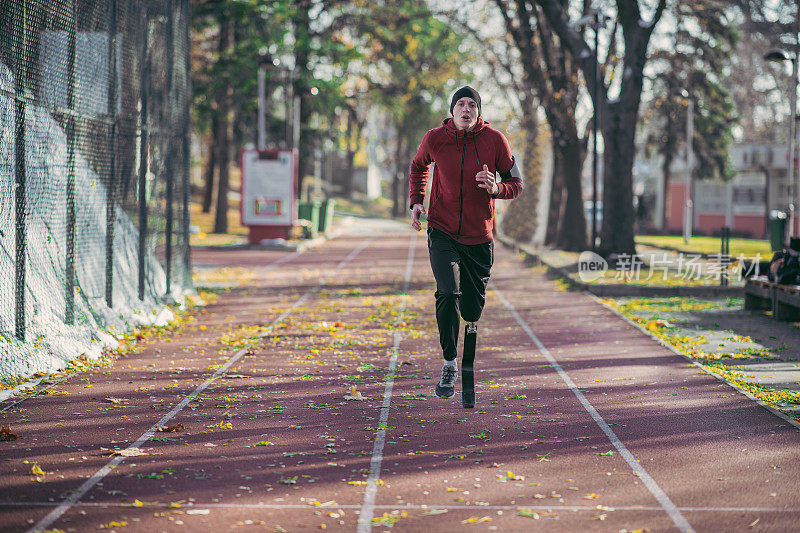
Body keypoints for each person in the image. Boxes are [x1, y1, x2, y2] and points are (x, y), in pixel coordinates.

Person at [409, 85, 522, 408]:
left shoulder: (495, 141)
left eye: (473, 104)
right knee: (447, 292)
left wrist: (496, 187)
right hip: (442, 231)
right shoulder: (435, 138)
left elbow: (516, 183)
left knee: (472, 309)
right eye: (461, 103)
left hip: (479, 238)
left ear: (478, 111)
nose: (467, 109)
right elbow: (419, 166)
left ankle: (468, 339)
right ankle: (448, 363)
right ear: (453, 110)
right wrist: (417, 202)